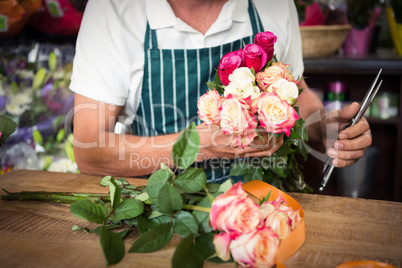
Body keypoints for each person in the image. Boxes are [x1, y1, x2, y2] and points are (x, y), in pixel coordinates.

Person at [69, 0, 372, 183]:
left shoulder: (273, 5)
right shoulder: (114, 11)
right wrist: (200, 145)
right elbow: (89, 151)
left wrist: (323, 130)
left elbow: (297, 91)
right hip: (163, 213)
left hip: (264, 211)